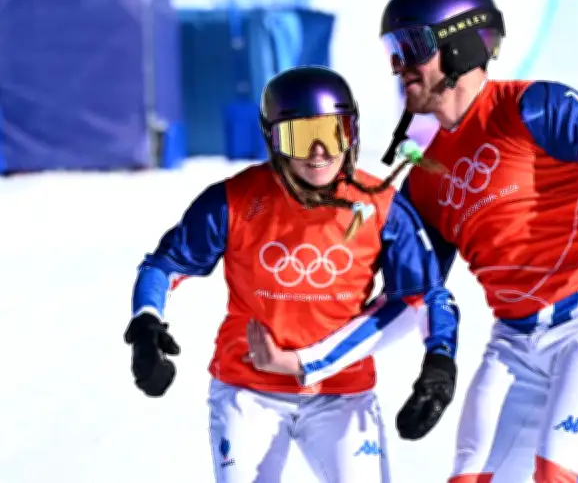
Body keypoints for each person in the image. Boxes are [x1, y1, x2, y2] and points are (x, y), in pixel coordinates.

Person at [261, 0, 578, 483]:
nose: (399, 68)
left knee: (555, 475)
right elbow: (413, 295)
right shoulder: (423, 180)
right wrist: (307, 361)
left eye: (411, 47)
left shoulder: (531, 107)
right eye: (392, 52)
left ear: (459, 45)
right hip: (516, 342)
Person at [122, 66, 461, 483]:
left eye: (331, 132)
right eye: (300, 137)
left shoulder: (383, 207)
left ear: (351, 133)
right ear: (274, 141)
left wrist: (440, 361)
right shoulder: (233, 200)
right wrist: (145, 325)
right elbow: (164, 266)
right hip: (249, 391)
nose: (318, 151)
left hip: (342, 394)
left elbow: (426, 295)